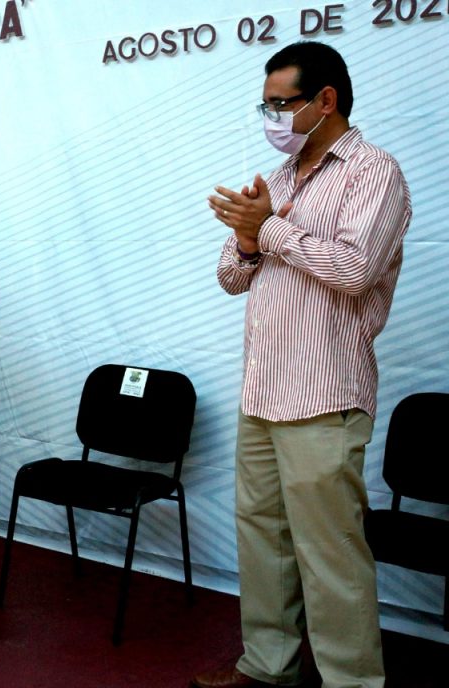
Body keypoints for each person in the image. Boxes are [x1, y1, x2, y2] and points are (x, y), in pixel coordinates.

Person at [195, 42, 411, 688]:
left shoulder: (374, 173)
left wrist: (273, 231)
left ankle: (351, 681)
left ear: (325, 101)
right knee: (263, 540)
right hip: (261, 391)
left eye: (281, 103)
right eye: (265, 105)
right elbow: (231, 277)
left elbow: (355, 270)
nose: (271, 116)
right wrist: (245, 237)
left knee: (331, 554)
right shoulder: (280, 179)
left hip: (323, 394)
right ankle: (268, 666)